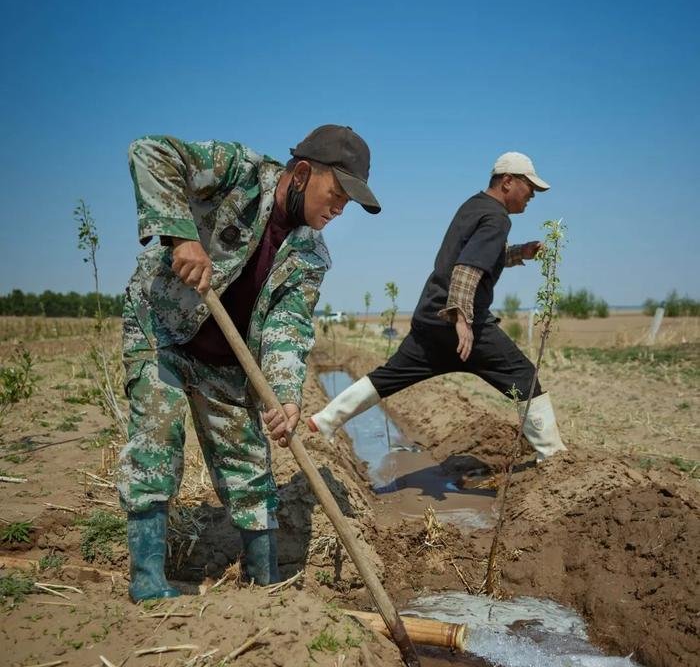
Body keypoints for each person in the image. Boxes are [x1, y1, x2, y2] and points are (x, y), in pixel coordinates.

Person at [118, 125, 380, 602]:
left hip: (226, 363)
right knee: (157, 439)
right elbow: (151, 152)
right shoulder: (236, 173)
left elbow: (289, 327)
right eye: (337, 193)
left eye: (349, 201)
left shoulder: (311, 254)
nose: (340, 208)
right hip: (163, 332)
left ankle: (265, 580)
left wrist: (285, 395)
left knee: (248, 466)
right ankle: (149, 581)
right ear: (301, 173)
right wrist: (180, 235)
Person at [309, 151, 567, 462]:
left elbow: (477, 254)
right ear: (508, 182)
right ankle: (552, 456)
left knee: (388, 376)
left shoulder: (475, 206)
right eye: (530, 188)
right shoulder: (497, 217)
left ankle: (324, 421)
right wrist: (462, 319)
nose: (532, 196)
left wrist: (519, 253)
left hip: (431, 319)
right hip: (463, 323)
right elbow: (467, 268)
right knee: (523, 375)